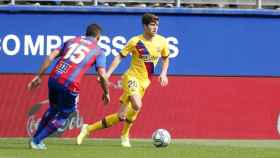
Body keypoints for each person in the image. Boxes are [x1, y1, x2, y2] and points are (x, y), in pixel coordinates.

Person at [77, 13, 170, 147]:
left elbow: (166, 58)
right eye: (152, 24)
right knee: (137, 105)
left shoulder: (162, 41)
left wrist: (164, 73)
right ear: (145, 26)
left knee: (121, 116)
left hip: (145, 82)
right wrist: (107, 73)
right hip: (131, 78)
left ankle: (88, 129)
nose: (155, 27)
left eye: (157, 25)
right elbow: (120, 57)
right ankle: (125, 135)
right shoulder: (135, 41)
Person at [27, 23, 110, 150]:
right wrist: (106, 92)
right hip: (70, 84)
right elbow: (103, 76)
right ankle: (37, 141)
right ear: (98, 37)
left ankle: (35, 138)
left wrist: (38, 76)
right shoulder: (99, 51)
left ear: (86, 33)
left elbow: (51, 56)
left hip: (54, 77)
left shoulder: (72, 40)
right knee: (63, 116)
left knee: (53, 108)